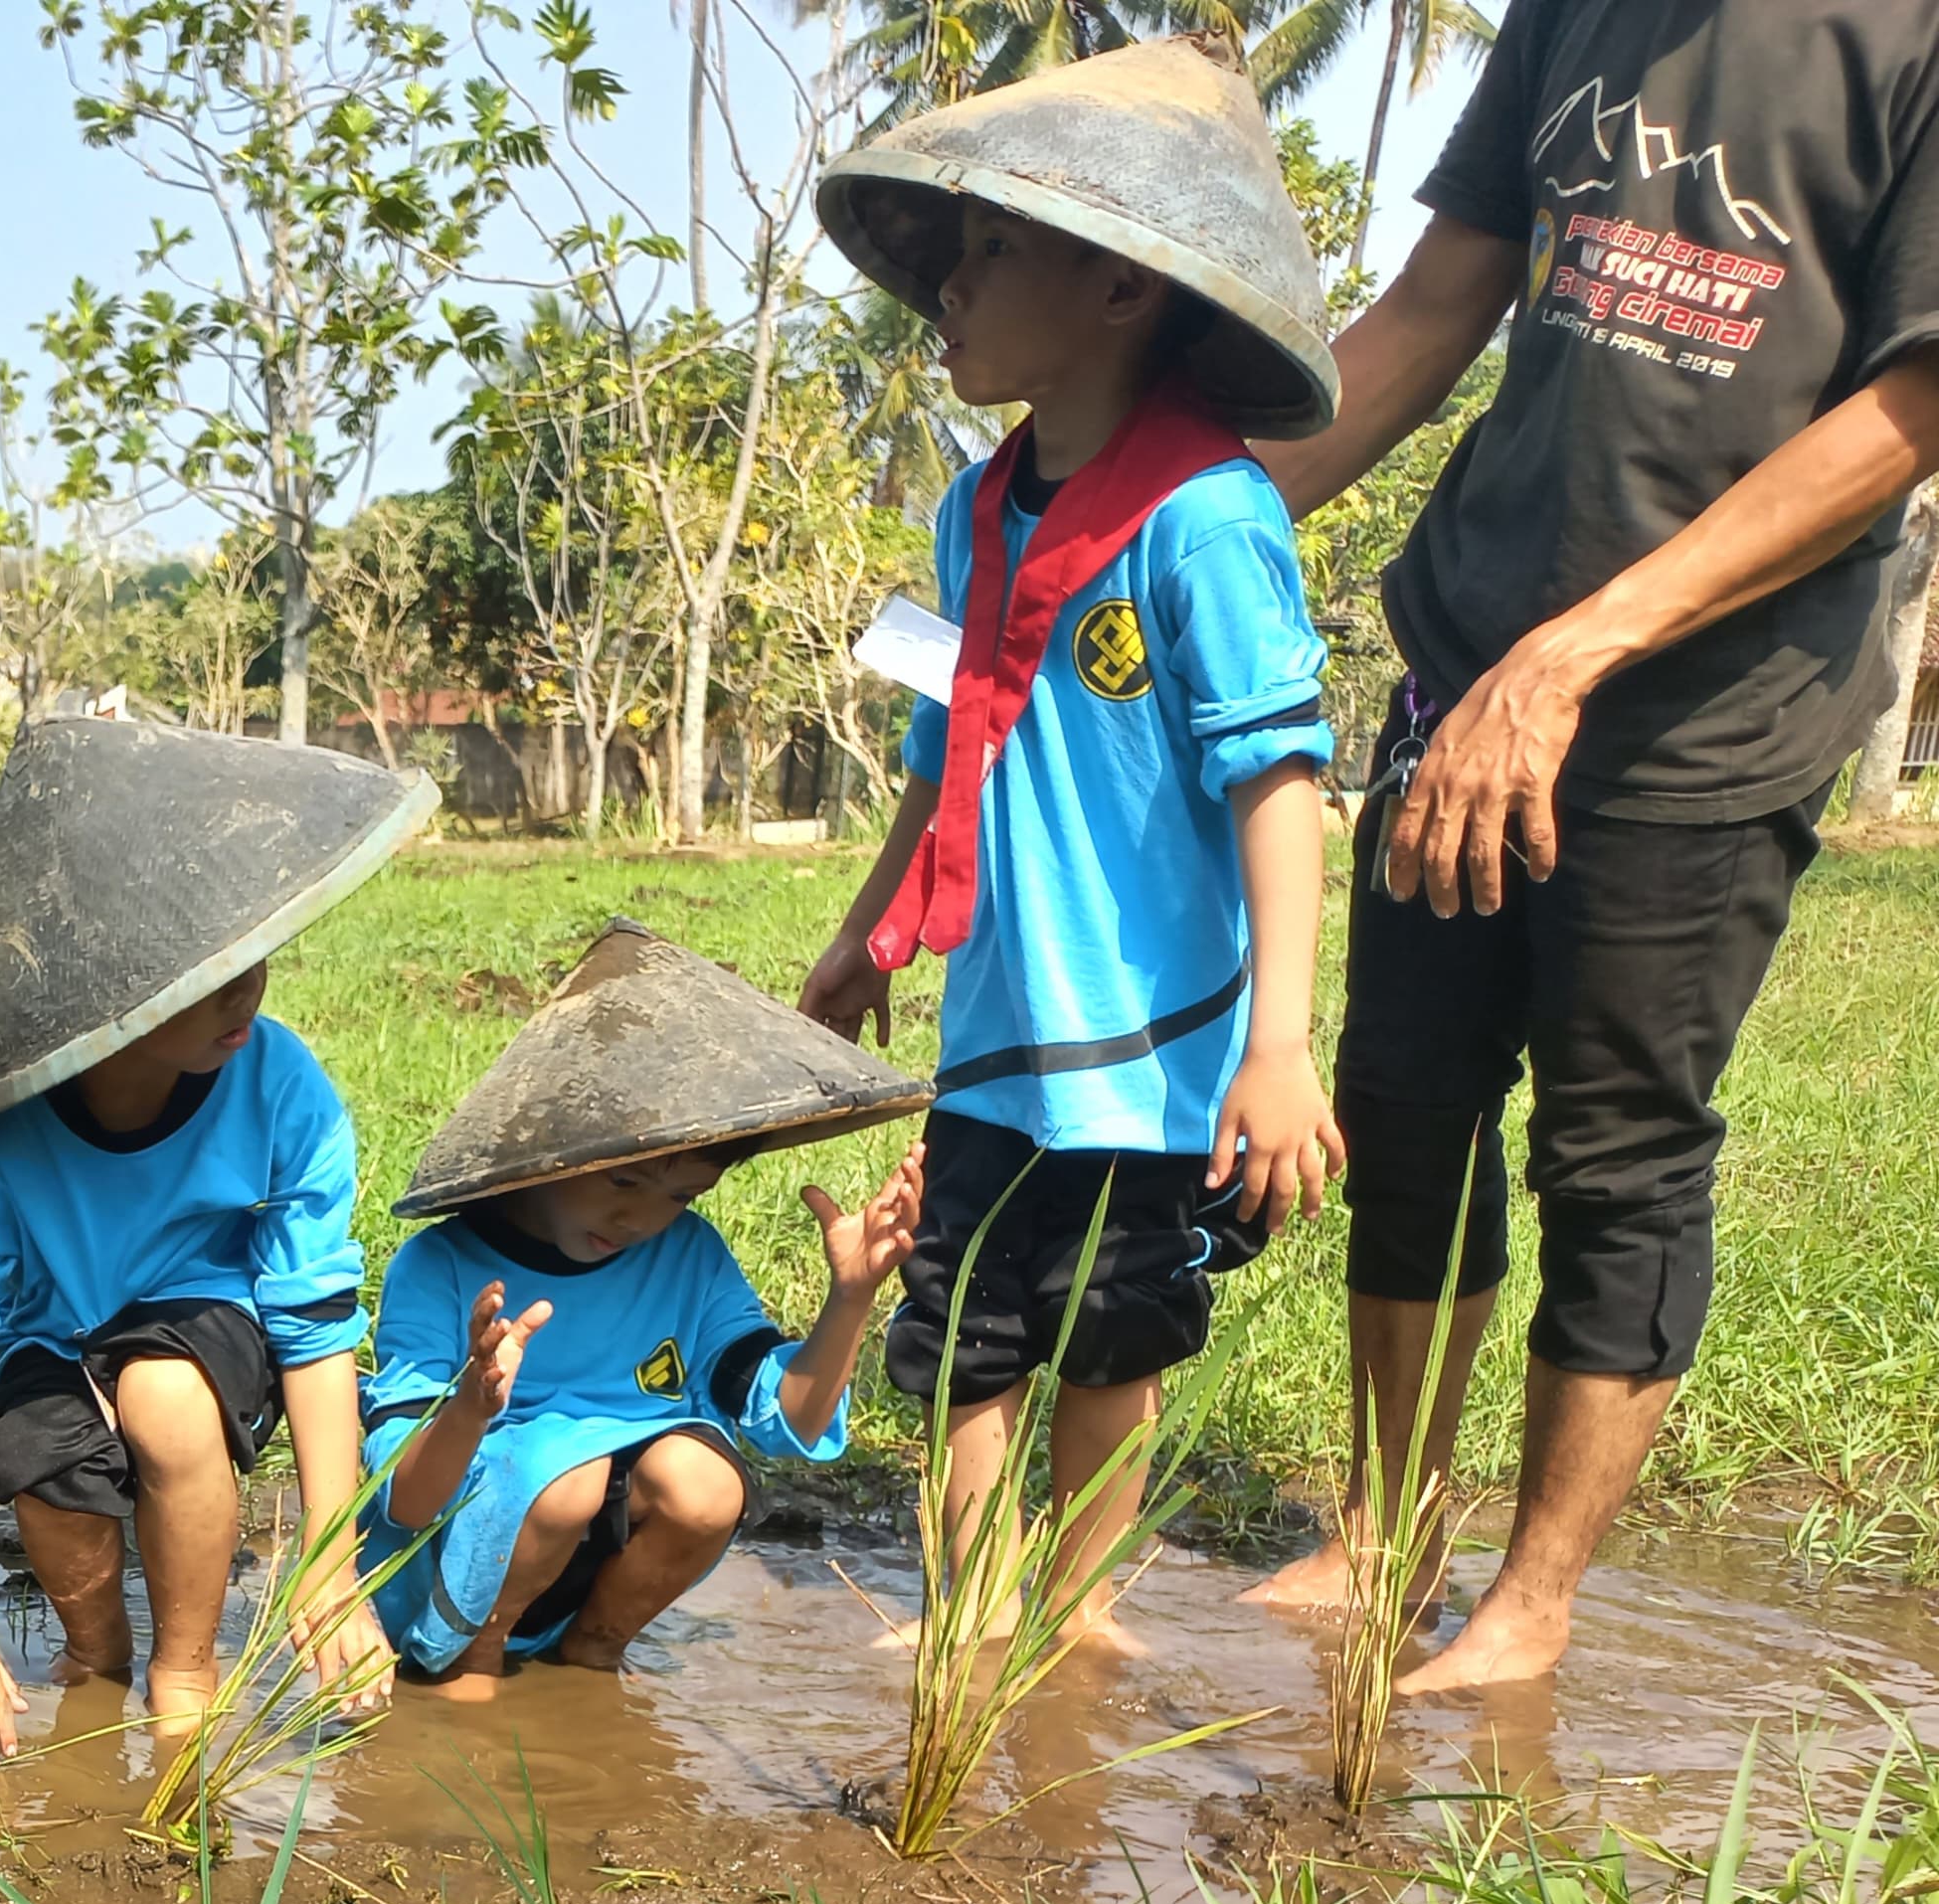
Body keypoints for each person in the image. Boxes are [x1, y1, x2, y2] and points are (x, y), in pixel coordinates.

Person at [1239, 0, 1939, 1687]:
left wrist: (1578, 652)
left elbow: (1913, 406)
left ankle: (1531, 1605)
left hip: (1709, 694)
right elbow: (1433, 305)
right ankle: (1384, 1528)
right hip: (1470, 640)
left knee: (1616, 1151)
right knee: (1406, 1098)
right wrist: (1179, 528)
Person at [799, 39, 1345, 1650]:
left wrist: (1283, 1045)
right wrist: (866, 925)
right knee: (963, 1330)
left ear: (1119, 286)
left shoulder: (1208, 518)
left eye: (991, 250)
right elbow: (938, 742)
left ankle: (1084, 1609)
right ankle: (970, 1610)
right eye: (954, 253)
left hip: (1149, 1046)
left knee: (1111, 1338)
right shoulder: (974, 516)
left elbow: (1280, 780)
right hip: (997, 1036)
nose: (949, 292)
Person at [0, 720, 430, 1762]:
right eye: (197, 972)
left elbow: (314, 1335)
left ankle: (183, 1670)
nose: (242, 990)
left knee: (164, 1399)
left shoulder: (279, 1091)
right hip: (50, 1338)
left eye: (248, 955)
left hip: (203, 1324)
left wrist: (326, 1553)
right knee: (39, 1464)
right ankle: (95, 1661)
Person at [365, 931, 929, 1689]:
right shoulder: (443, 1266)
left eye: (680, 1196)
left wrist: (851, 1296)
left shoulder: (686, 1258)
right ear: (551, 1149)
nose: (642, 1221)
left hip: (582, 1555)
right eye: (624, 1183)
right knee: (566, 1479)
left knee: (706, 1485)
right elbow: (403, 1500)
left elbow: (788, 1421)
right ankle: (474, 1658)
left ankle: (591, 1652)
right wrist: (468, 1408)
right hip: (455, 1570)